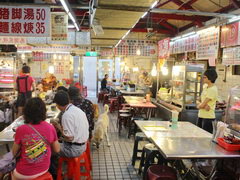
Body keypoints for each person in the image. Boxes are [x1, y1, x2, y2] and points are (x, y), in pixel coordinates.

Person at [11, 98, 60, 180]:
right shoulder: (50, 127)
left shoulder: (21, 129)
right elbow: (57, 149)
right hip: (44, 169)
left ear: (26, 112)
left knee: (11, 172)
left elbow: (14, 153)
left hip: (23, 173)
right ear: (44, 111)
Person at [50, 91, 89, 177]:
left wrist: (58, 126)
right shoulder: (77, 109)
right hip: (83, 145)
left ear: (57, 105)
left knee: (50, 149)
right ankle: (59, 171)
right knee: (57, 143)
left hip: (74, 149)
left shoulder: (67, 115)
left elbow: (69, 138)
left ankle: (56, 174)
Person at [197, 69, 218, 133]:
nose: (203, 78)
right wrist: (203, 105)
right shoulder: (205, 87)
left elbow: (200, 105)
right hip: (200, 115)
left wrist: (201, 105)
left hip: (208, 118)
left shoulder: (213, 90)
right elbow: (197, 100)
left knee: (205, 139)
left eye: (205, 77)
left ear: (210, 78)